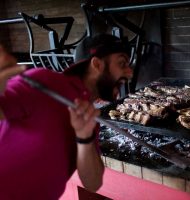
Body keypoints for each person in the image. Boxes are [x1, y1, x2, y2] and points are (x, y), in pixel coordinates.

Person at [0, 34, 133, 200]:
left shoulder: (88, 115)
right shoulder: (44, 82)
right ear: (97, 64)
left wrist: (84, 138)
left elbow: (93, 183)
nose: (130, 72)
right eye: (122, 63)